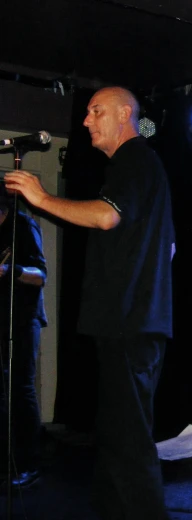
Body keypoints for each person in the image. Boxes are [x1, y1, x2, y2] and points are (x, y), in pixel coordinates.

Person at [5, 86, 175, 520]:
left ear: (124, 115)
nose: (86, 121)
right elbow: (169, 247)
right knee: (119, 441)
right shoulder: (142, 168)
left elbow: (105, 216)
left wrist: (41, 198)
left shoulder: (135, 158)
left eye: (95, 111)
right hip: (131, 321)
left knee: (129, 444)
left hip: (129, 323)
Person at [0, 189, 47, 487]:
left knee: (20, 389)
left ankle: (29, 464)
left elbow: (40, 275)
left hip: (21, 319)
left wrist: (9, 269)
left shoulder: (23, 226)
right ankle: (6, 461)